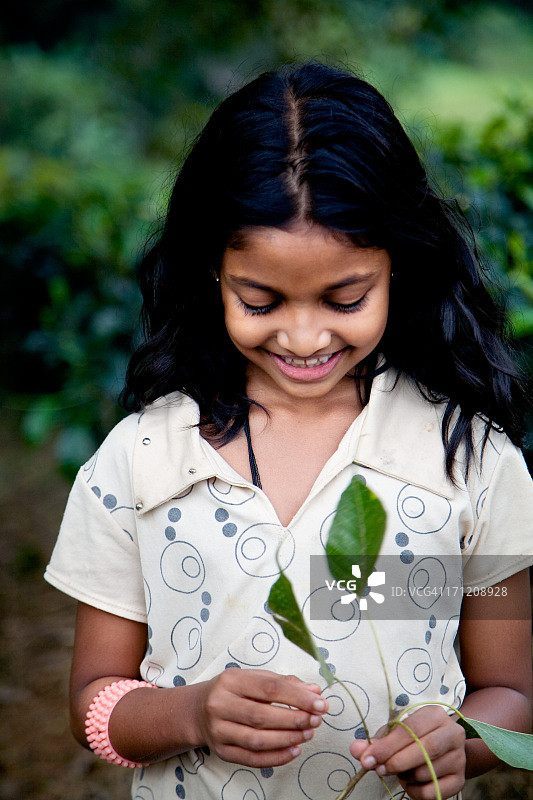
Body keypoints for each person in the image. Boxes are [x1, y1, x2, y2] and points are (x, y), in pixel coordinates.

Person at [45, 62, 533, 800]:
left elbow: (514, 699)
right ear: (212, 271)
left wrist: (460, 739)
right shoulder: (142, 460)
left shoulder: (467, 460)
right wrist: (190, 712)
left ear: (398, 266)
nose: (304, 337)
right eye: (261, 299)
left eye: (344, 297)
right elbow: (93, 703)